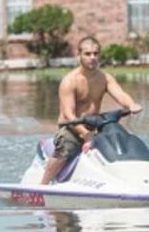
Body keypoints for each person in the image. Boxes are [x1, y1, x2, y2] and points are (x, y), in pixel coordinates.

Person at [41, 36, 143, 185]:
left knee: (122, 141)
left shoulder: (104, 78)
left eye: (96, 54)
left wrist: (132, 104)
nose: (93, 58)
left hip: (95, 125)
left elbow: (120, 95)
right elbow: (69, 115)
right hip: (71, 128)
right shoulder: (70, 81)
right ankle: (43, 186)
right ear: (79, 56)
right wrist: (85, 134)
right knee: (65, 149)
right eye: (88, 54)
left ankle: (132, 181)